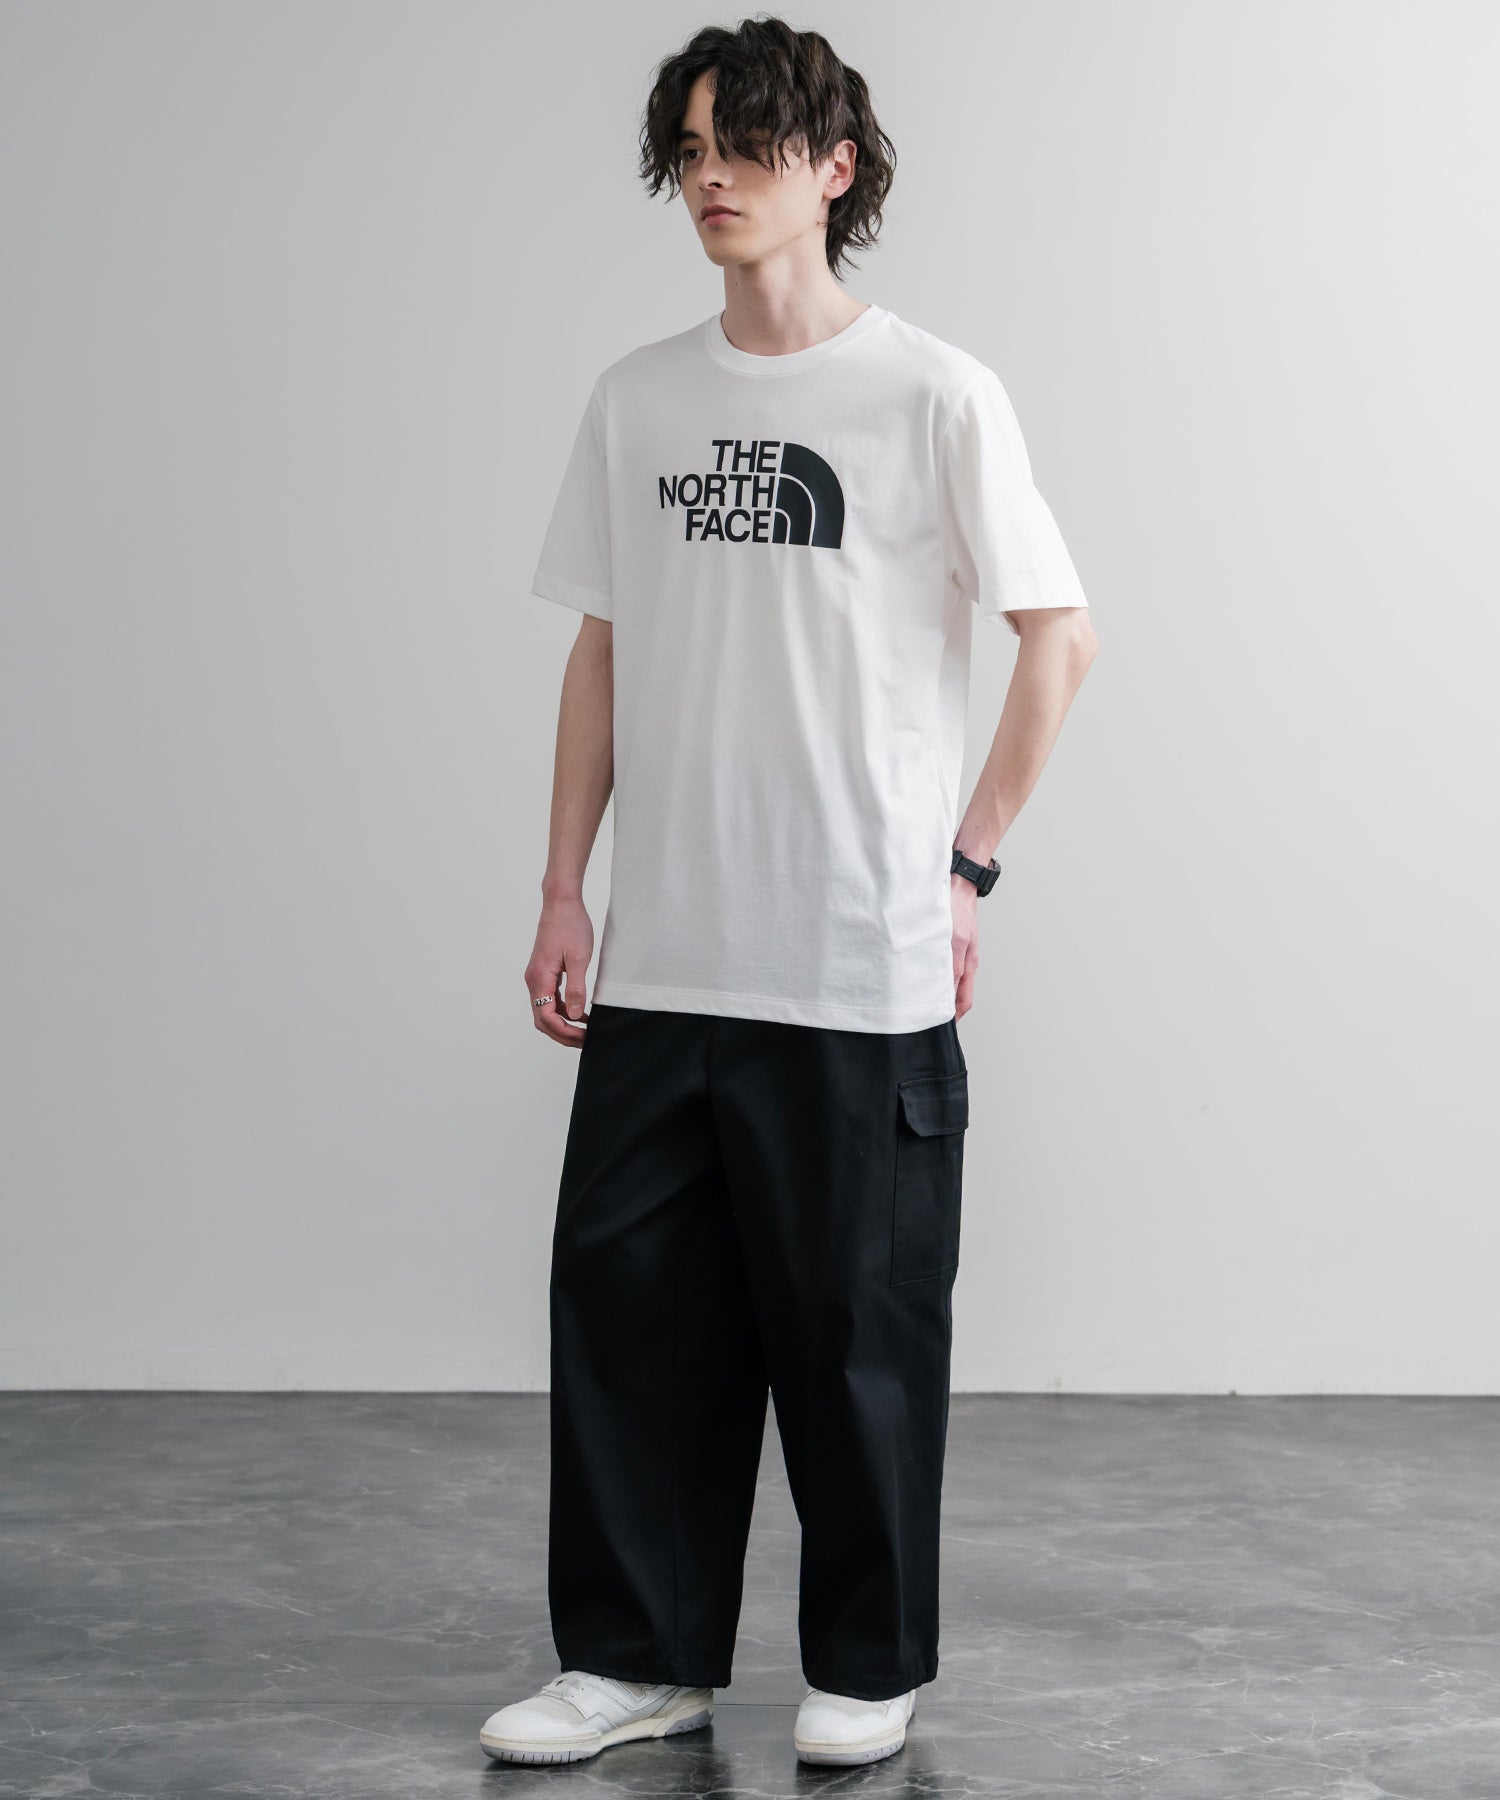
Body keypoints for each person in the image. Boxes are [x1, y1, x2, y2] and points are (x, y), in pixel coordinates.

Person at [480, 14, 1096, 1771]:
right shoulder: (640, 399)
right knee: (631, 1323)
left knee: (856, 1337)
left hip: (856, 961)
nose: (712, 179)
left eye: (746, 145)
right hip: (669, 954)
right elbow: (602, 653)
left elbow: (1059, 638)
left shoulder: (933, 395)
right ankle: (634, 1659)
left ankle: (869, 1666)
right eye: (689, 150)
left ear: (834, 169)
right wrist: (564, 888)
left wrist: (968, 861)